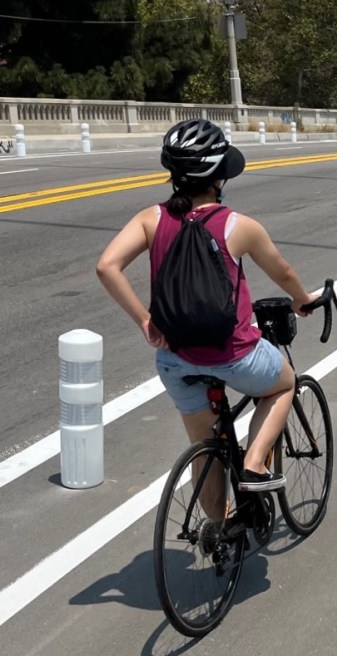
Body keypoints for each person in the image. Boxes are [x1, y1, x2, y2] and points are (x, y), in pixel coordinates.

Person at [96, 118, 315, 493]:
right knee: (284, 384)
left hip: (174, 357)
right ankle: (254, 463)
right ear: (218, 176)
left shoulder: (151, 218)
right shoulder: (238, 225)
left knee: (204, 447)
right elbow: (283, 271)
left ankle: (219, 533)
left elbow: (106, 267)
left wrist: (146, 321)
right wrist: (302, 300)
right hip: (234, 354)